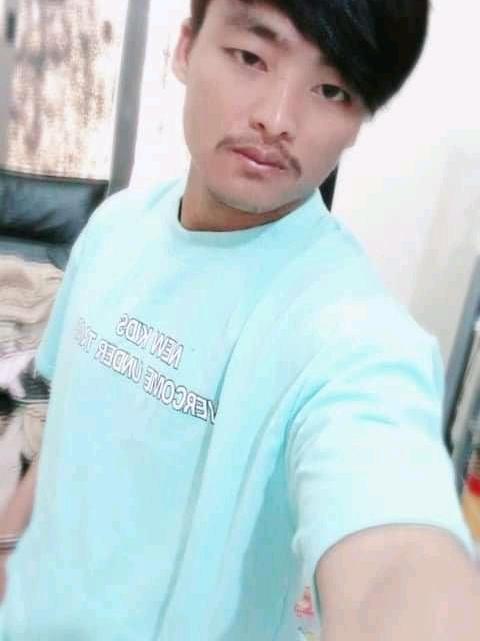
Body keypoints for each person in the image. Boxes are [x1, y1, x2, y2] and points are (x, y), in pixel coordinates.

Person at [1, 0, 479, 639]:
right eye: (251, 57)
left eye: (331, 90)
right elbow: (66, 426)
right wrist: (8, 549)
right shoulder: (114, 227)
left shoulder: (351, 336)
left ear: (357, 122)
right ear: (185, 48)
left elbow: (395, 560)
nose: (277, 120)